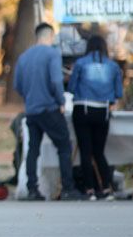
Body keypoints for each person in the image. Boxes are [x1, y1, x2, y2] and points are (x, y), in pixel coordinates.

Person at [13, 23, 83, 201]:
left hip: (31, 110)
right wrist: (60, 101)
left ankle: (32, 189)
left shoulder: (24, 57)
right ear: (50, 36)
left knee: (33, 150)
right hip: (49, 108)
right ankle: (68, 188)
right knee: (64, 146)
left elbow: (17, 85)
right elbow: (56, 81)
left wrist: (30, 97)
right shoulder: (52, 53)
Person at [67, 35, 124, 200]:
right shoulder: (113, 66)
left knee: (85, 151)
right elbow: (118, 93)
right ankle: (106, 188)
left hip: (82, 108)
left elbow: (71, 88)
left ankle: (89, 189)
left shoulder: (80, 63)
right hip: (103, 111)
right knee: (99, 151)